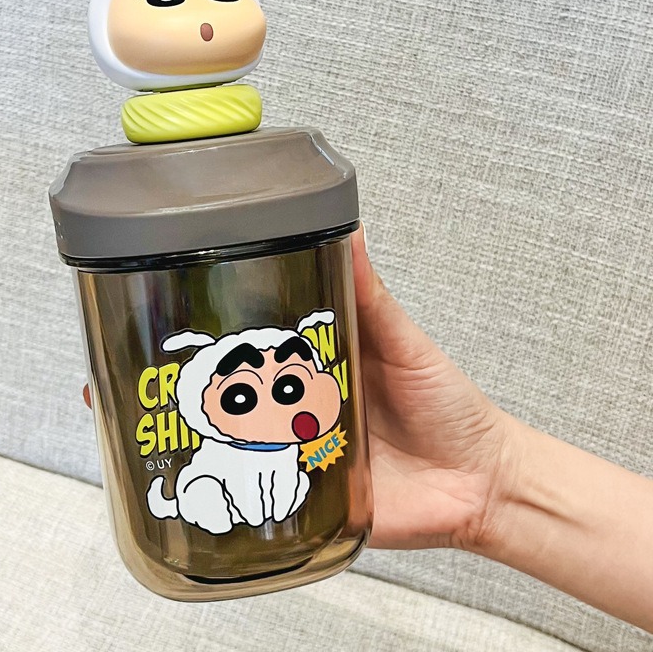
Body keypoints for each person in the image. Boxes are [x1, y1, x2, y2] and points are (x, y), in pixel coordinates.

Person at [81, 227, 653, 632]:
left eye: (290, 387)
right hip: (199, 511)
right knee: (208, 490)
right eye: (241, 397)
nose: (275, 407)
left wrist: (488, 480)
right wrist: (486, 484)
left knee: (287, 486)